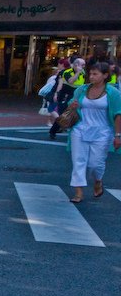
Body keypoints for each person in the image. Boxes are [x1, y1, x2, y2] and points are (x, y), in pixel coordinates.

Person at [65, 63, 121, 203]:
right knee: (78, 161)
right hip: (80, 128)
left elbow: (118, 114)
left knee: (95, 163)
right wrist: (72, 105)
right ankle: (78, 192)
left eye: (95, 74)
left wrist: (118, 135)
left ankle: (98, 181)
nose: (91, 76)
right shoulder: (82, 90)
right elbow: (71, 104)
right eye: (90, 74)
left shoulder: (113, 93)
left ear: (105, 75)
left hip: (102, 131)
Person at [50, 57, 86, 140]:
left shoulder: (83, 73)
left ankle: (75, 132)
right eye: (82, 65)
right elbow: (70, 81)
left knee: (77, 114)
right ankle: (53, 131)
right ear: (76, 65)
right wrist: (78, 72)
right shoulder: (66, 72)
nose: (84, 67)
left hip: (77, 95)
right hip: (65, 95)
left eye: (84, 65)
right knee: (64, 114)